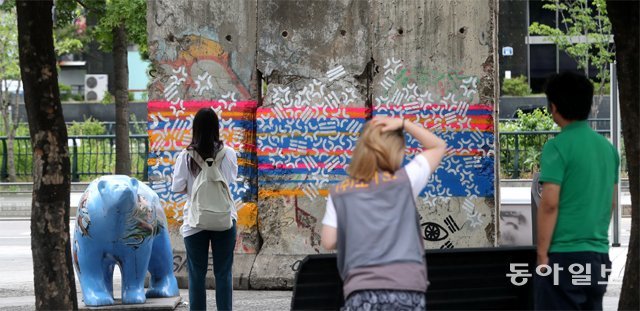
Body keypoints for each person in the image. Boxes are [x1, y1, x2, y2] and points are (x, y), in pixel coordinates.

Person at [320, 116, 447, 310]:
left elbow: (328, 241)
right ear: (395, 152)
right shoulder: (405, 182)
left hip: (362, 290)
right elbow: (438, 146)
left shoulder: (339, 193)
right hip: (407, 288)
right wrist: (404, 124)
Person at [535, 72, 619, 310]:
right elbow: (611, 202)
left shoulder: (556, 147)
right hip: (598, 256)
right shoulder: (607, 148)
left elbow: (550, 203)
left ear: (553, 107)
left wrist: (542, 255)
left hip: (564, 256)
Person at [171, 108, 238, 311]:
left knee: (196, 275)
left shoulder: (186, 156)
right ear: (217, 128)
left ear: (196, 129)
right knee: (224, 273)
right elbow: (230, 181)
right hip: (224, 220)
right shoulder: (229, 154)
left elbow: (176, 188)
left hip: (195, 222)